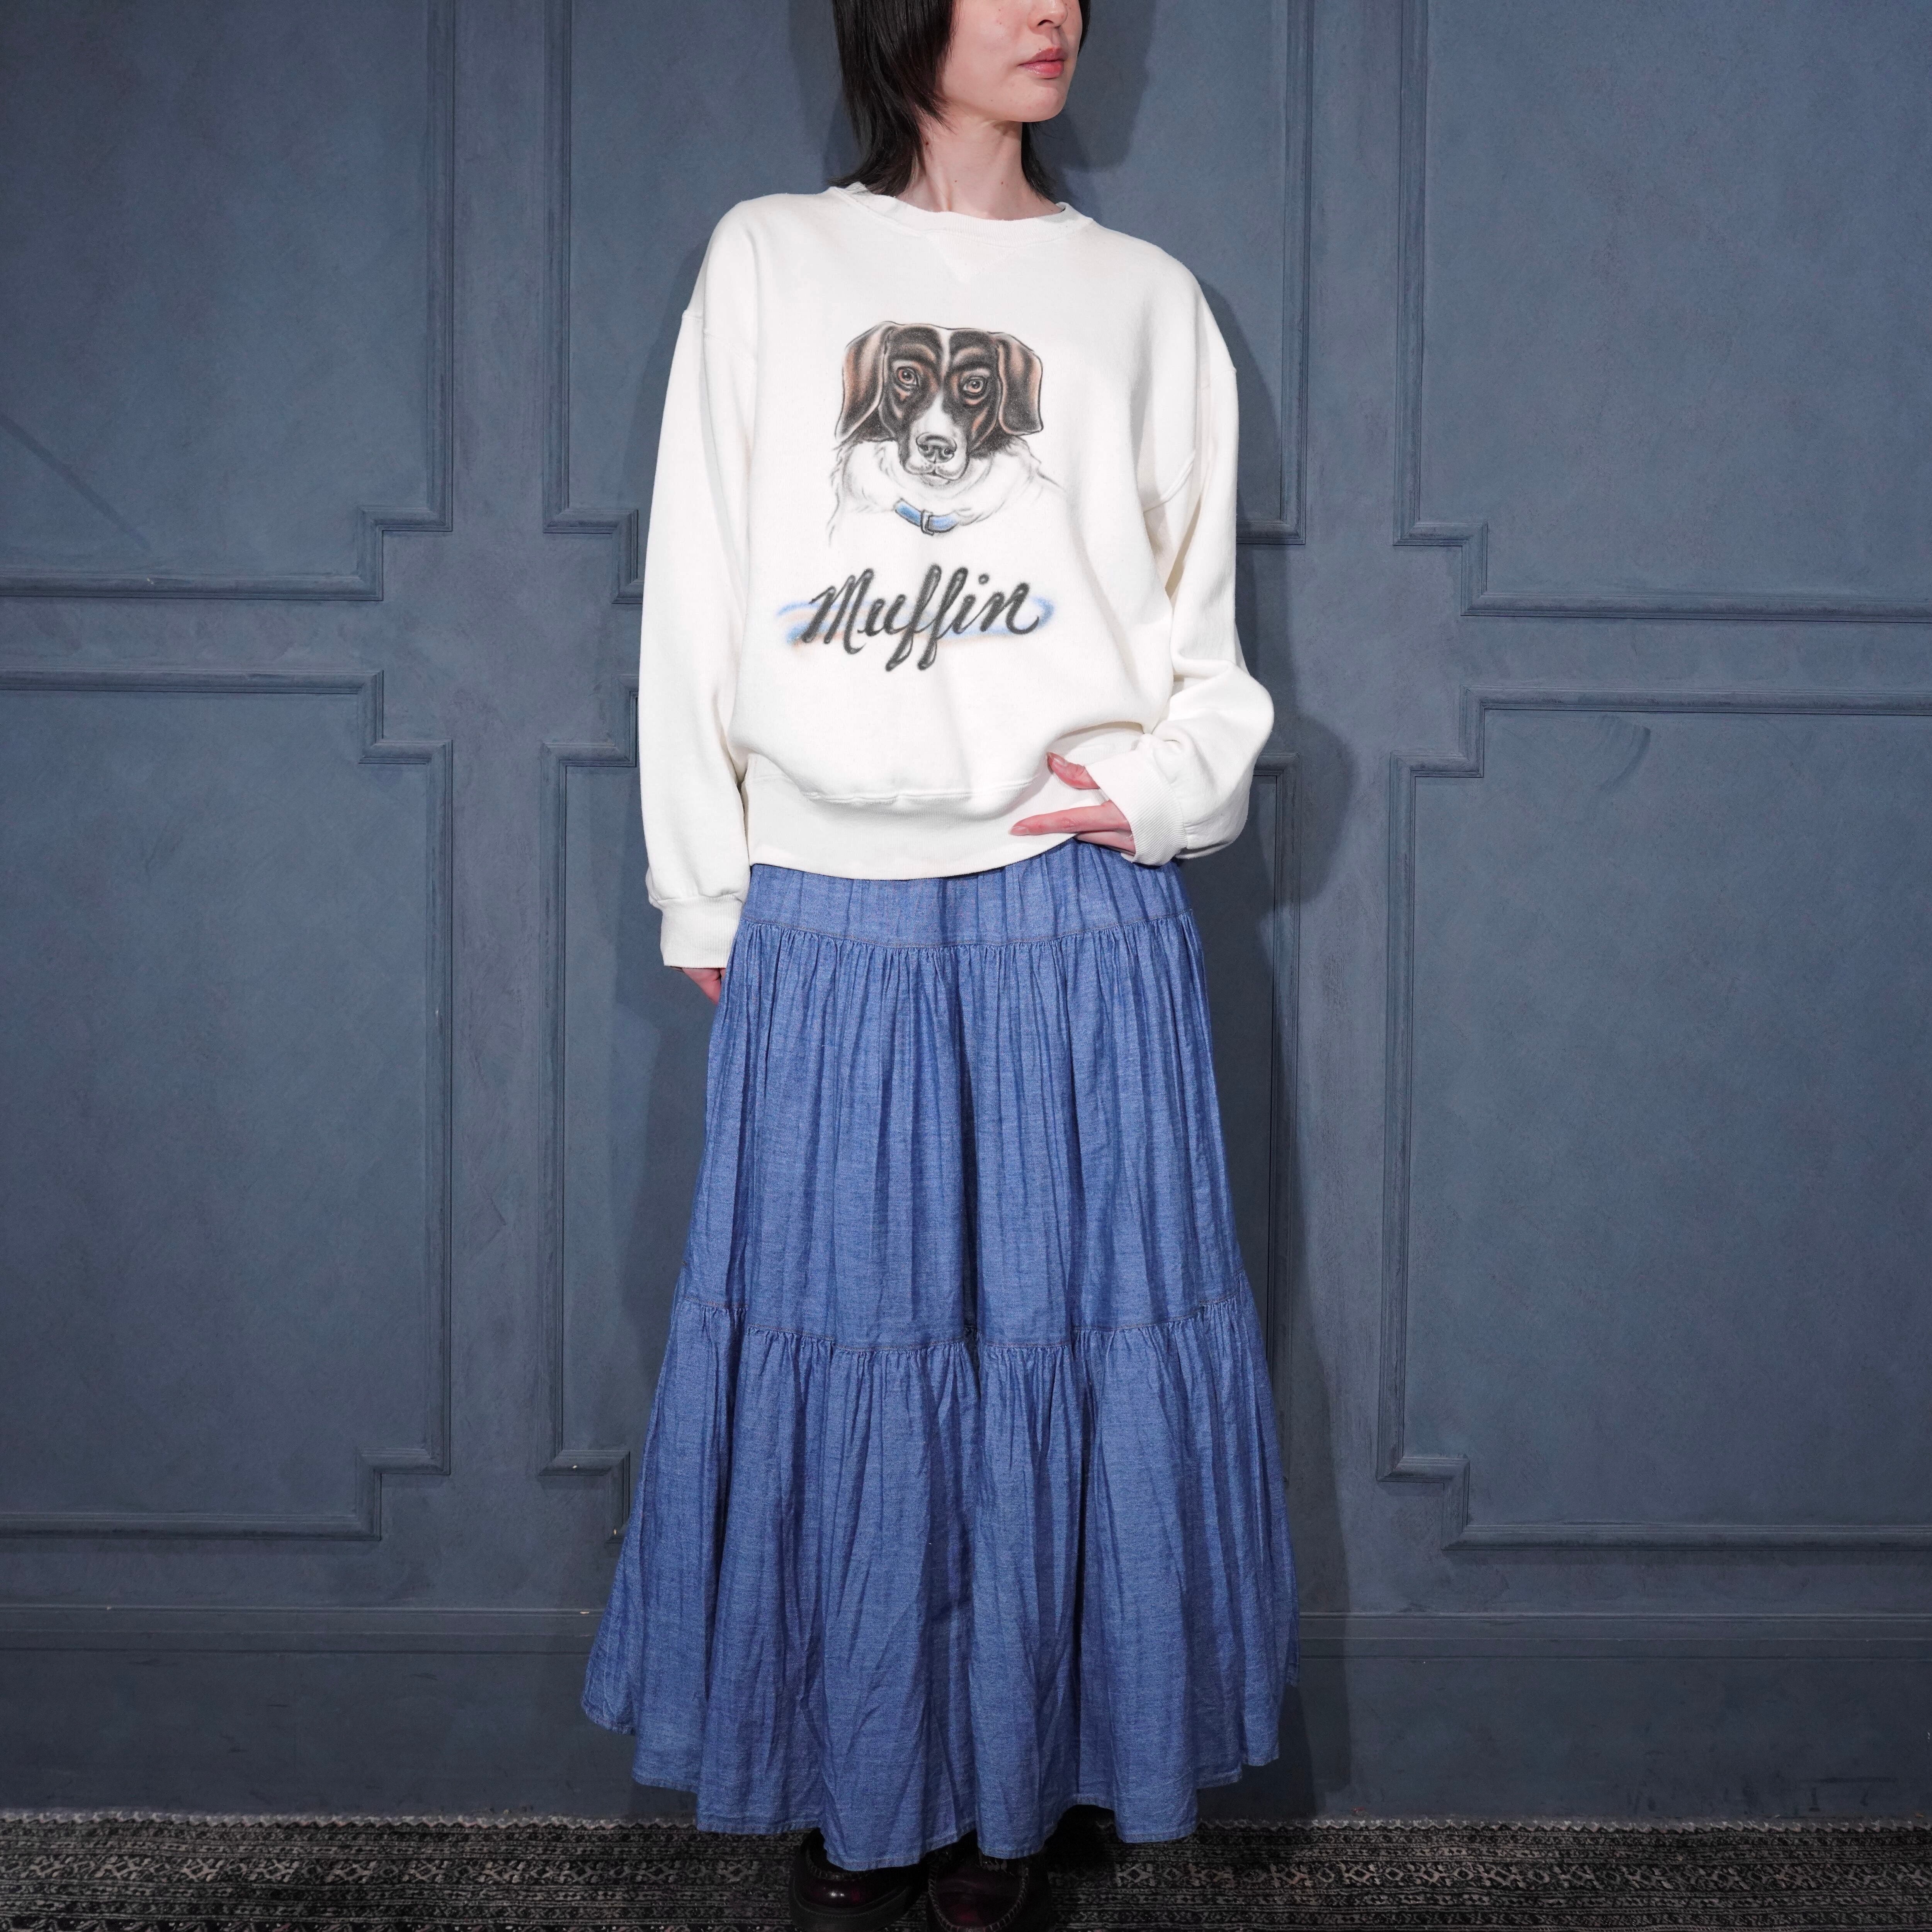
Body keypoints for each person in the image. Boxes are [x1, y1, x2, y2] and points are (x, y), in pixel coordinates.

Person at [580, 2, 1299, 1926]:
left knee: (1058, 1354)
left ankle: (1013, 1797)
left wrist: (1152, 790)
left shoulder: (1143, 301)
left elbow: (1204, 645)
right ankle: (869, 1788)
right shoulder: (771, 261)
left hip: (1070, 909)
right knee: (858, 1358)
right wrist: (707, 890)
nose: (1049, 7)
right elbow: (696, 594)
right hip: (832, 900)